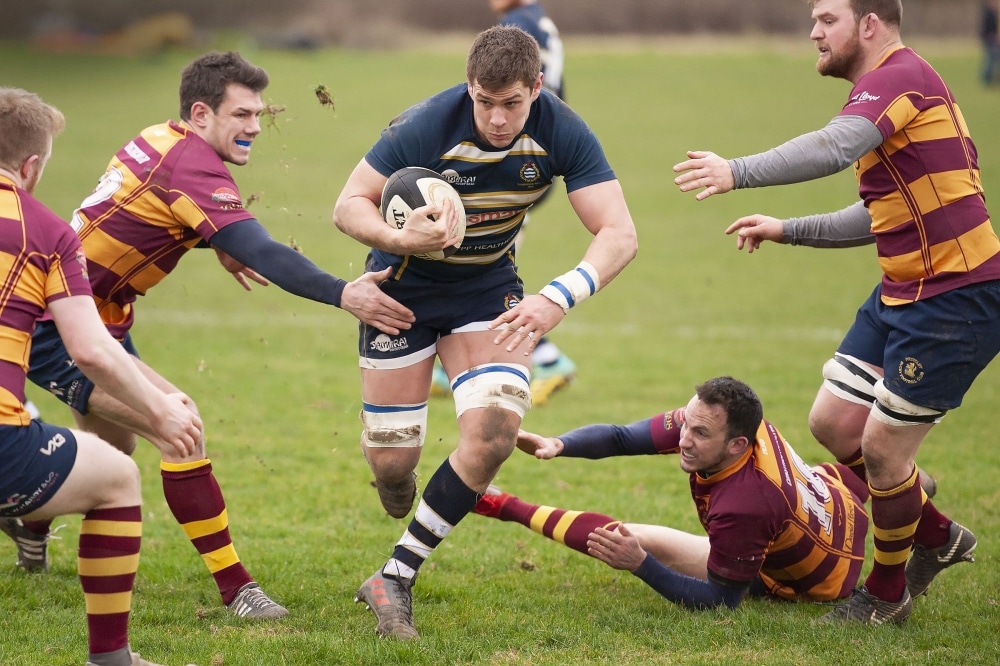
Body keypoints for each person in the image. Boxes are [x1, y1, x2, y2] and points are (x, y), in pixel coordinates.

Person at [3, 51, 414, 619]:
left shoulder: (161, 138)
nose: (254, 127)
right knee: (180, 423)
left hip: (99, 315)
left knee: (111, 449)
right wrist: (346, 294)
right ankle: (236, 588)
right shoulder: (194, 165)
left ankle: (28, 522)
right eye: (242, 114)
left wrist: (211, 239)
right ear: (200, 114)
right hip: (62, 323)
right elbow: (265, 252)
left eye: (259, 115)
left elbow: (138, 212)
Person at [672, 0, 994, 624]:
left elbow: (831, 147)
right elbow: (876, 217)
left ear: (869, 23)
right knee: (835, 422)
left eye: (827, 19)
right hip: (903, 289)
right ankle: (937, 534)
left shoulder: (900, 78)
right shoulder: (890, 89)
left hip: (955, 297)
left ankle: (885, 595)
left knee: (881, 450)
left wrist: (735, 170)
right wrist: (785, 229)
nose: (814, 31)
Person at [333, 25, 637, 639]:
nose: (497, 119)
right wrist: (399, 238)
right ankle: (399, 482)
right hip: (401, 293)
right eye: (484, 101)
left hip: (484, 291)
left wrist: (556, 299)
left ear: (536, 87)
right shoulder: (427, 125)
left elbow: (619, 234)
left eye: (512, 104)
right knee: (393, 462)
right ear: (469, 87)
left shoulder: (560, 128)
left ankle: (394, 576)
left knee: (496, 431)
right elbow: (348, 205)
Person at [0, 87, 203, 666]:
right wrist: (160, 408)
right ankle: (112, 659)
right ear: (32, 167)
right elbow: (91, 350)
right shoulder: (48, 233)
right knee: (117, 476)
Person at [475, 377, 870, 610]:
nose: (683, 439)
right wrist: (558, 444)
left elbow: (719, 600)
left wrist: (641, 564)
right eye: (686, 423)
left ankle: (501, 505)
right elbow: (620, 437)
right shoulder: (727, 422)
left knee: (626, 541)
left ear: (736, 445)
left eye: (700, 434)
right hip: (840, 500)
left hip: (819, 580)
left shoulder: (744, 503)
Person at [431, 0, 574, 405]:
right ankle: (452, 361)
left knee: (483, 265)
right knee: (483, 259)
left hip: (518, 158)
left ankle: (547, 357)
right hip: (533, 156)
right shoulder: (540, 20)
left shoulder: (517, 25)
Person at [982, 0, 999, 85]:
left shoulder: (995, 13)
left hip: (996, 40)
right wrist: (990, 36)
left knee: (994, 59)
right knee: (990, 60)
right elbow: (986, 28)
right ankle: (987, 78)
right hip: (990, 39)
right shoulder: (989, 14)